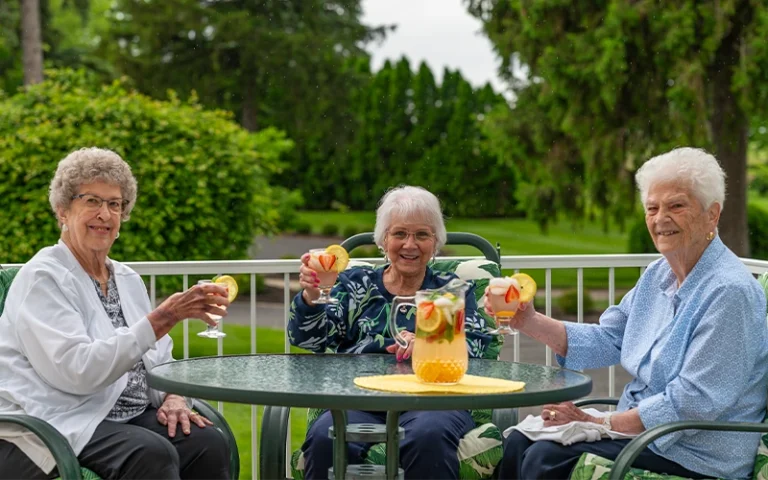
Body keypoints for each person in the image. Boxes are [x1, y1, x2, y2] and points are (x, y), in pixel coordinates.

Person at [491, 147, 768, 480]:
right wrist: (527, 321)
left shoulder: (729, 292)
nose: (660, 219)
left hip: (695, 451)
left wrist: (597, 423)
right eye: (652, 208)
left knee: (546, 457)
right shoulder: (658, 274)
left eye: (676, 205)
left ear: (713, 214)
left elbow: (693, 401)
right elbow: (609, 338)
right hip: (646, 434)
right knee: (520, 441)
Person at [0, 147, 232, 480]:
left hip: (124, 415)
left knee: (208, 442)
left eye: (115, 204)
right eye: (91, 201)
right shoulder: (44, 278)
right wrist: (163, 318)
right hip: (57, 418)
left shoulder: (126, 279)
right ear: (63, 210)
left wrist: (173, 396)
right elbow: (78, 371)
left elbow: (159, 357)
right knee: (152, 454)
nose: (105, 214)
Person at [288, 185, 494, 480]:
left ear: (435, 242)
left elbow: (476, 348)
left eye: (422, 235)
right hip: (357, 398)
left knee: (428, 437)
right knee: (326, 437)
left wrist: (428, 344)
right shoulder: (354, 284)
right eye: (399, 234)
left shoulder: (451, 291)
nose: (410, 244)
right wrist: (311, 296)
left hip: (433, 401)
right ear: (383, 240)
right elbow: (309, 339)